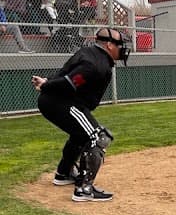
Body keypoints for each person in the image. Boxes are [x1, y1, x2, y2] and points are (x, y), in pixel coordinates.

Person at [31, 27, 130, 202]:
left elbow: (66, 75)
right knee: (98, 137)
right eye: (119, 45)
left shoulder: (89, 53)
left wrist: (47, 81)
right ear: (108, 45)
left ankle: (64, 173)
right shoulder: (95, 64)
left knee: (81, 135)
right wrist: (46, 86)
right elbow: (70, 83)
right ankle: (84, 189)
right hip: (61, 102)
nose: (122, 48)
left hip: (60, 100)